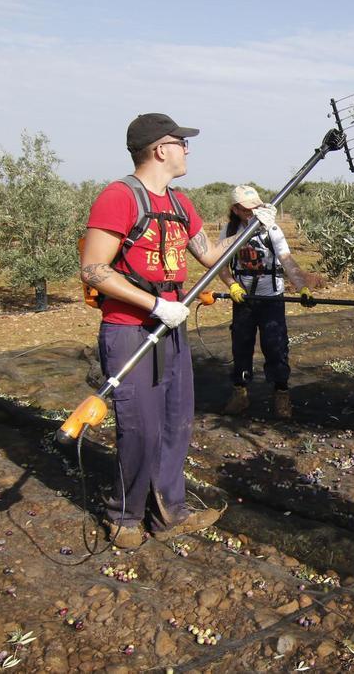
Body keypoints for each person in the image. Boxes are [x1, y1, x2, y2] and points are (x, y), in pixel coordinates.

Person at [80, 113, 232, 549]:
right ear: (161, 149)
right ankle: (124, 516)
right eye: (182, 143)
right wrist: (154, 304)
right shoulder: (119, 197)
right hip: (130, 328)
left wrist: (254, 224)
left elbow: (210, 256)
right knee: (140, 426)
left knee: (176, 422)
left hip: (172, 328)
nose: (187, 150)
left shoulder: (182, 203)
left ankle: (169, 513)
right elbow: (93, 269)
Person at [218, 185, 319, 418]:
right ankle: (240, 393)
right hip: (243, 299)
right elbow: (221, 267)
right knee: (241, 346)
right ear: (235, 209)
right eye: (246, 209)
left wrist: (302, 286)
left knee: (275, 346)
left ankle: (281, 394)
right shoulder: (229, 231)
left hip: (271, 299)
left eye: (255, 208)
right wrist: (231, 285)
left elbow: (287, 260)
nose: (252, 213)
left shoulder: (271, 229)